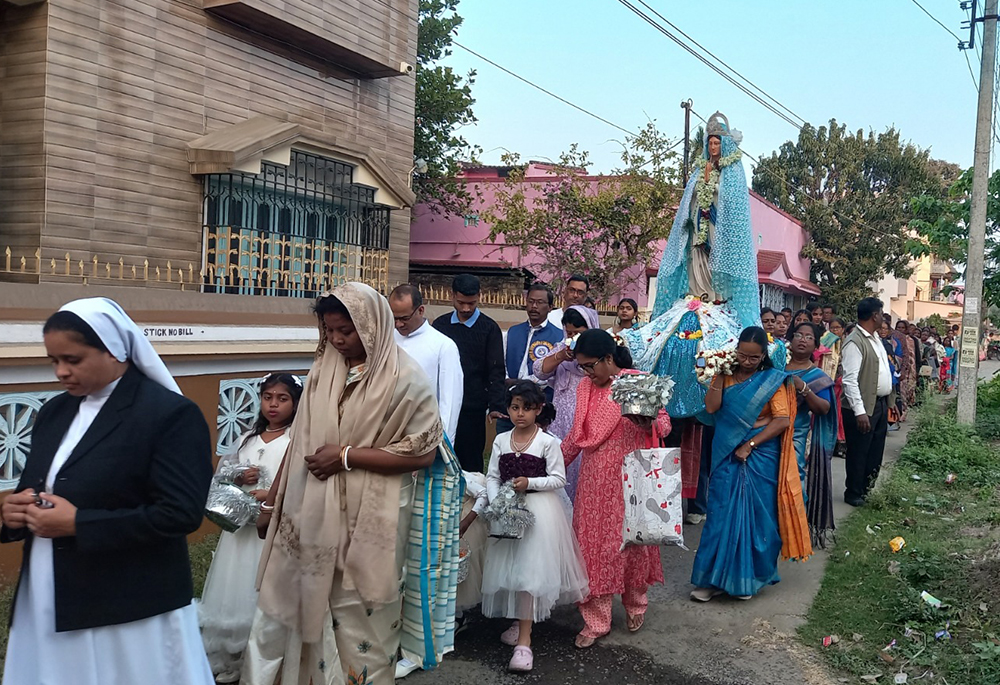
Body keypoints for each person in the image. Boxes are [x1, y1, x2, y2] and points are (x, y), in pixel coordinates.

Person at [0, 297, 214, 684]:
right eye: (54, 361)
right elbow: (39, 485)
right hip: (50, 589)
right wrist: (13, 513)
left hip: (129, 601)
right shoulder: (54, 412)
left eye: (73, 359)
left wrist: (80, 523)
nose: (61, 372)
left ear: (115, 351)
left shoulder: (168, 415)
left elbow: (179, 513)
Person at [246, 283, 443, 685]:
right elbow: (299, 439)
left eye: (345, 331)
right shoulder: (323, 369)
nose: (336, 339)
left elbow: (423, 453)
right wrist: (272, 504)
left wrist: (346, 457)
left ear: (371, 325)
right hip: (310, 515)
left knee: (360, 623)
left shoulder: (406, 379)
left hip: (370, 521)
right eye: (328, 329)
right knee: (298, 611)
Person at [622, 111, 763, 419]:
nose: (713, 148)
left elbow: (734, 209)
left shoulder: (733, 170)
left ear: (724, 145)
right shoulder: (699, 170)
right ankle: (697, 292)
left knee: (713, 261)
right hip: (696, 229)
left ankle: (711, 294)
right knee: (695, 259)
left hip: (718, 229)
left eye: (717, 143)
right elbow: (688, 201)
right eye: (709, 142)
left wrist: (713, 207)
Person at [561, 330, 670, 648]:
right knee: (594, 550)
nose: (586, 373)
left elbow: (664, 425)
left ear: (609, 359)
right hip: (594, 484)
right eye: (582, 367)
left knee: (633, 545)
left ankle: (636, 604)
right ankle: (597, 620)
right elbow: (576, 436)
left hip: (633, 479)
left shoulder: (637, 381)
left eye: (590, 365)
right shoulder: (585, 388)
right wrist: (551, 465)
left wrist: (646, 421)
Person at [690, 327, 811, 602]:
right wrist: (719, 375)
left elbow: (782, 420)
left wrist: (750, 444)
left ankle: (748, 579)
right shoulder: (724, 374)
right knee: (719, 515)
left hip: (760, 455)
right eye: (742, 355)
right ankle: (710, 580)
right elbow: (711, 409)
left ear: (763, 356)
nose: (747, 361)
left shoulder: (772, 380)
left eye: (753, 358)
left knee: (757, 518)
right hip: (725, 450)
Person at [199, 373, 302, 682]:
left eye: (282, 399)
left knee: (262, 588)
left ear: (296, 403)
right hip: (240, 530)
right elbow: (224, 473)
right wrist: (239, 478)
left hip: (270, 530)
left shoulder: (295, 440)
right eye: (268, 398)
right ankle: (232, 658)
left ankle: (264, 661)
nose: (273, 405)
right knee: (233, 588)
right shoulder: (247, 438)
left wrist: (270, 494)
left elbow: (298, 480)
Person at [481, 382, 589, 673]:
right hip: (507, 510)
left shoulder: (547, 442)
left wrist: (531, 483)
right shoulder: (502, 441)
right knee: (512, 569)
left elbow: (558, 478)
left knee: (529, 572)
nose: (520, 414)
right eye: (515, 407)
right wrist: (496, 500)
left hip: (539, 512)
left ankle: (524, 643)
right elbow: (492, 475)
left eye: (527, 408)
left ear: (539, 409)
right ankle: (519, 620)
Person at [433, 274, 506, 472]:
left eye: (471, 303)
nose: (466, 308)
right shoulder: (440, 325)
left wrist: (495, 405)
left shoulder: (489, 328)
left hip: (473, 406)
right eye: (461, 303)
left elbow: (496, 370)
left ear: (479, 297)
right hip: (442, 405)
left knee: (471, 459)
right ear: (452, 296)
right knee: (441, 456)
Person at [785, 322, 838, 547]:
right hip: (766, 434)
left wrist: (804, 389)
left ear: (816, 345)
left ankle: (796, 533)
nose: (802, 339)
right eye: (798, 335)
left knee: (793, 482)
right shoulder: (775, 367)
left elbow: (824, 408)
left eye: (808, 337)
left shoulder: (817, 376)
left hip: (796, 435)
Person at [390, 284, 464, 444]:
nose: (398, 324)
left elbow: (449, 401)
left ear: (421, 310)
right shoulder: (386, 339)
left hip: (422, 433)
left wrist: (441, 442)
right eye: (394, 318)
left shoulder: (443, 345)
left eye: (404, 318)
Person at [841, 298, 893, 507]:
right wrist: (860, 412)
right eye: (881, 313)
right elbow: (849, 380)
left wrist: (891, 400)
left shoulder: (875, 338)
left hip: (879, 404)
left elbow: (882, 371)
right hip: (862, 407)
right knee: (859, 451)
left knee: (875, 451)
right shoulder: (855, 342)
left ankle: (867, 489)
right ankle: (853, 492)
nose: (883, 317)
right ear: (874, 315)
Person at [499, 283, 564, 432]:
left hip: (539, 406)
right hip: (510, 401)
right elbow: (502, 362)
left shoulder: (558, 336)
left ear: (550, 307)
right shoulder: (513, 332)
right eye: (531, 301)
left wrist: (525, 384)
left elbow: (552, 374)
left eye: (540, 302)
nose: (534, 306)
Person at [893, 320, 918, 418]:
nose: (900, 329)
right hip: (895, 368)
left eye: (903, 328)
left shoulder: (910, 340)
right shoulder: (892, 338)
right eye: (898, 327)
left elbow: (913, 356)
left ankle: (904, 410)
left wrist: (911, 371)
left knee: (905, 391)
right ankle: (898, 412)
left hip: (908, 369)